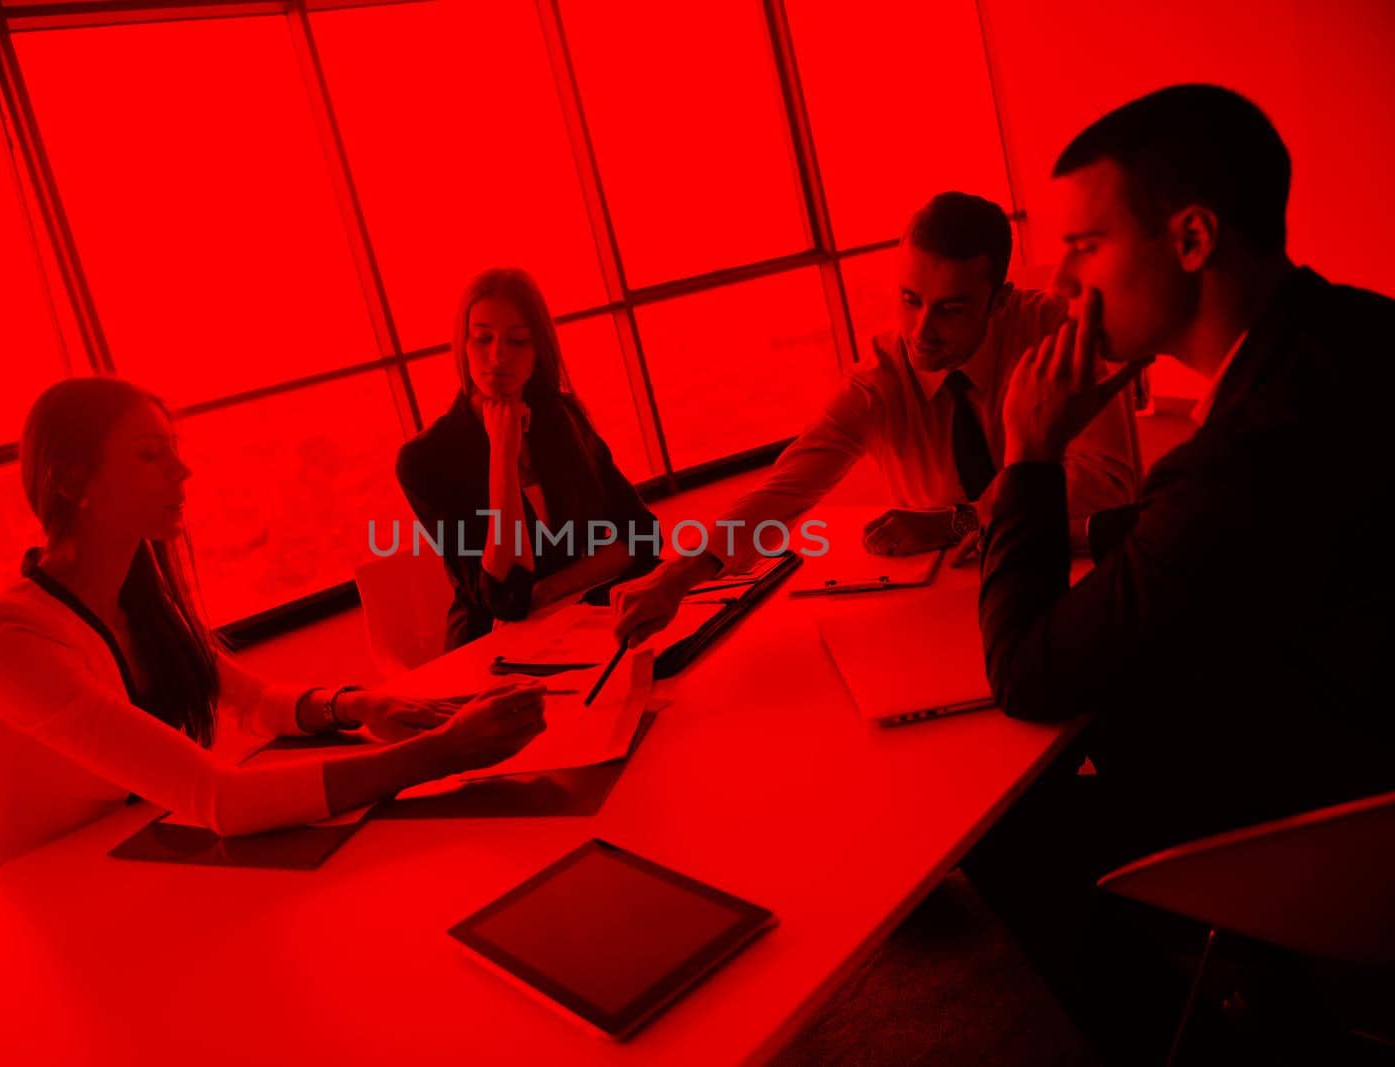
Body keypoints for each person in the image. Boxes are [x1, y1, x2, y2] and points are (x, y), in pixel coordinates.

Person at [968, 84, 1395, 1060]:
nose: (1066, 285)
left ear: (1192, 237)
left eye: (1083, 245)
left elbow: (1027, 670)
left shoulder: (1236, 456)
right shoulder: (1354, 333)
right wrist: (1113, 533)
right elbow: (1270, 529)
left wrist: (1029, 453)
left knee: (1012, 822)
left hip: (1335, 821)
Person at [0, 377, 545, 893]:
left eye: (174, 449)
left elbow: (253, 702)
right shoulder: (12, 640)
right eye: (150, 454)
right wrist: (440, 753)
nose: (183, 470)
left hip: (103, 876)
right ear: (71, 482)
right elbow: (219, 797)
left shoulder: (138, 602)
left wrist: (359, 704)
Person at [611, 192, 1139, 646]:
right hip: (945, 608)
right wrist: (679, 574)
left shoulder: (1054, 335)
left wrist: (960, 518)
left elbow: (1109, 482)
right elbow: (785, 487)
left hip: (1075, 580)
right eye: (910, 301)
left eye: (950, 309)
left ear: (998, 302)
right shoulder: (881, 377)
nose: (921, 331)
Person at [396, 268, 659, 649]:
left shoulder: (560, 418)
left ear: (539, 351)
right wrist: (502, 453)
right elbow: (508, 598)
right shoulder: (424, 460)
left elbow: (642, 535)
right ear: (462, 346)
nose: (497, 357)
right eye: (482, 338)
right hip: (489, 647)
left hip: (573, 615)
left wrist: (551, 590)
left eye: (517, 341)